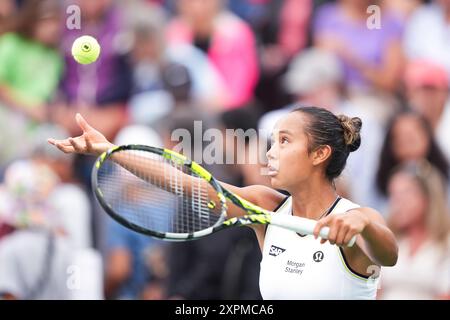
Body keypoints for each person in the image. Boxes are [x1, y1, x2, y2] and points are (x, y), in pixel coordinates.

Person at [48, 106, 398, 299]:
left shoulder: (356, 219)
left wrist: (362, 224)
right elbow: (182, 183)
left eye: (284, 141)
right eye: (271, 141)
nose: (271, 153)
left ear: (319, 154)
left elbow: (387, 253)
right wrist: (110, 150)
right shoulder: (266, 208)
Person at [380, 161, 450, 299]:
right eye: (393, 195)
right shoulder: (387, 240)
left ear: (427, 197)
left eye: (405, 194)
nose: (397, 203)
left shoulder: (445, 243)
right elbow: (373, 290)